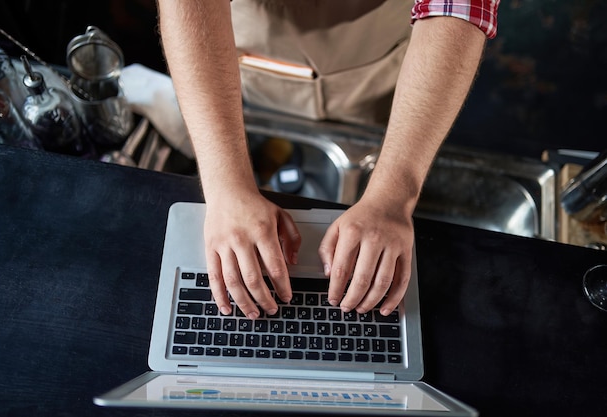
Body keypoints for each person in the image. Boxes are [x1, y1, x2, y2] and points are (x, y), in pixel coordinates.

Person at [156, 0, 499, 319]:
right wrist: (226, 187)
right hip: (245, 50)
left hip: (371, 58)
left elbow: (460, 6)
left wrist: (393, 198)